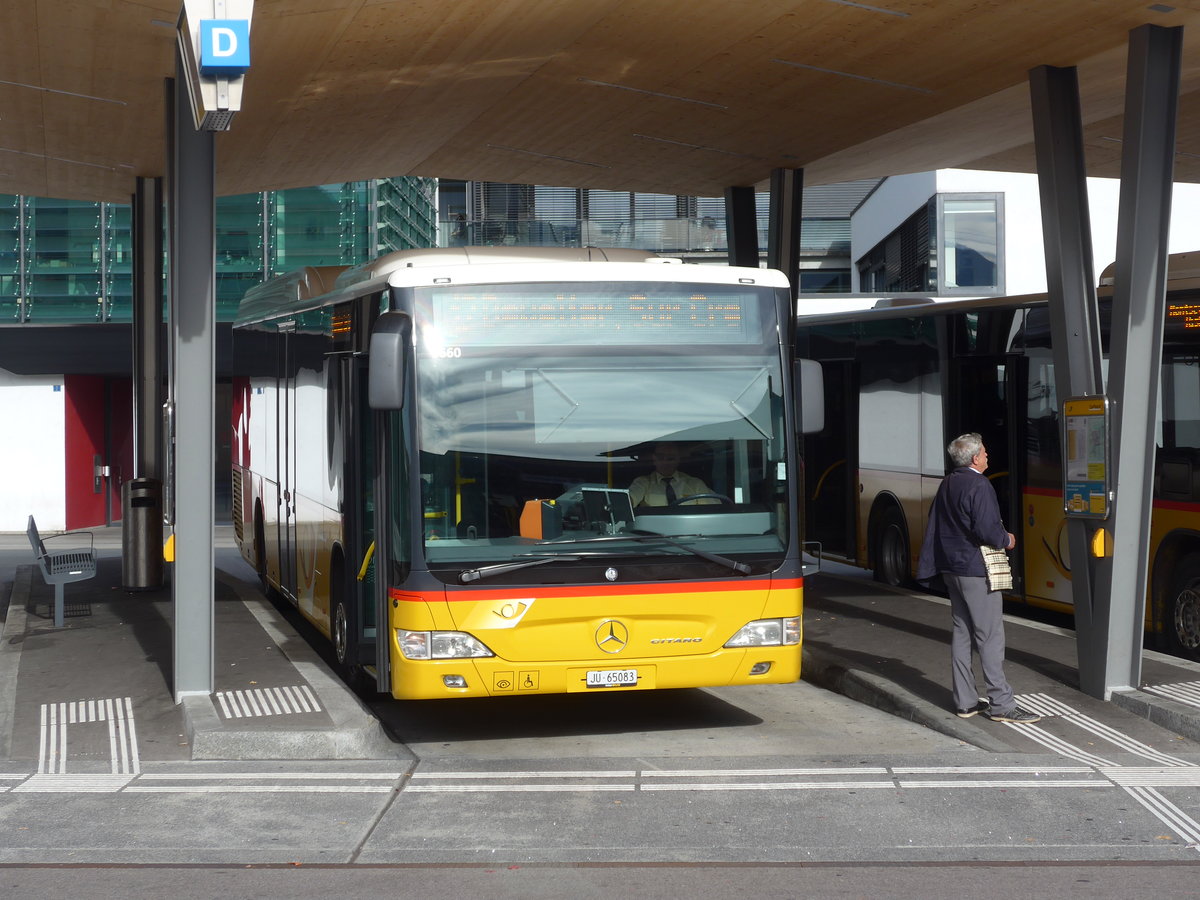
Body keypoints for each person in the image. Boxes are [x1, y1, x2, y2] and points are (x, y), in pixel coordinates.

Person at [916, 432, 1042, 724]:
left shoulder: (947, 483)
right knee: (990, 636)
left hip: (951, 568)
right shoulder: (979, 484)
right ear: (974, 458)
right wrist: (1007, 539)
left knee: (962, 633)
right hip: (975, 568)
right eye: (984, 452)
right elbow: (987, 530)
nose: (987, 456)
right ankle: (1002, 704)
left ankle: (966, 702)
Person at [628, 442, 716, 507]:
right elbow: (628, 502)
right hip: (652, 531)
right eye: (660, 457)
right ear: (654, 459)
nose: (665, 462)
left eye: (670, 458)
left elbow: (711, 510)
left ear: (678, 459)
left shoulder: (695, 484)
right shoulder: (643, 483)